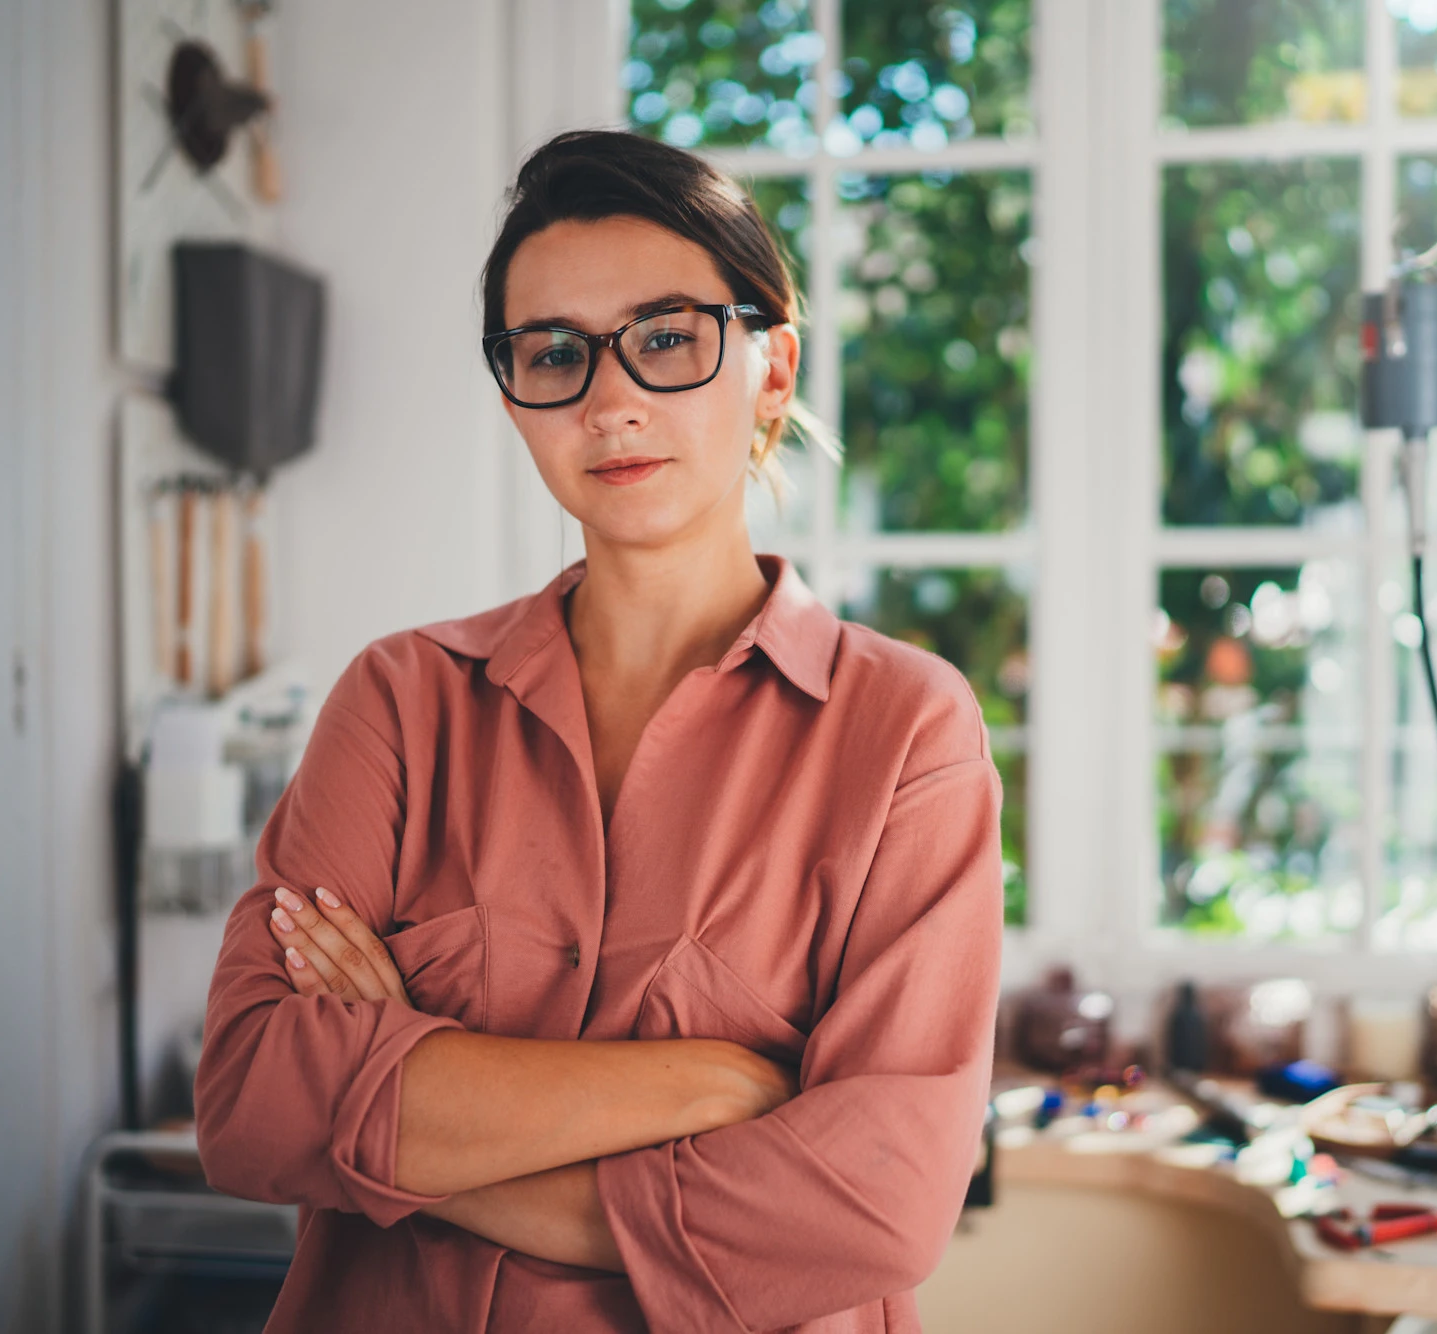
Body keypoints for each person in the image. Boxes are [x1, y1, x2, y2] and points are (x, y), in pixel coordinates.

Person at [195, 128, 1003, 1333]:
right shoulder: (400, 702)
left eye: (666, 338)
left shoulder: (902, 732)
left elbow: (874, 1205)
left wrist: (407, 1128)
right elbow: (255, 1101)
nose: (610, 398)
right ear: (514, 391)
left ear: (769, 370)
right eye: (554, 353)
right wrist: (712, 1084)